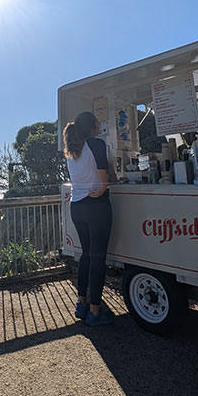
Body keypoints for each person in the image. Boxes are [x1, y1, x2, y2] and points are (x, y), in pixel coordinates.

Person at [63, 111, 114, 326]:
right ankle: (95, 312)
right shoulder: (97, 144)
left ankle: (82, 304)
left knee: (86, 256)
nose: (100, 124)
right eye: (98, 121)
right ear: (92, 126)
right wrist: (103, 188)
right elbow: (104, 179)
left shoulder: (72, 150)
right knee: (98, 258)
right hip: (96, 205)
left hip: (77, 206)